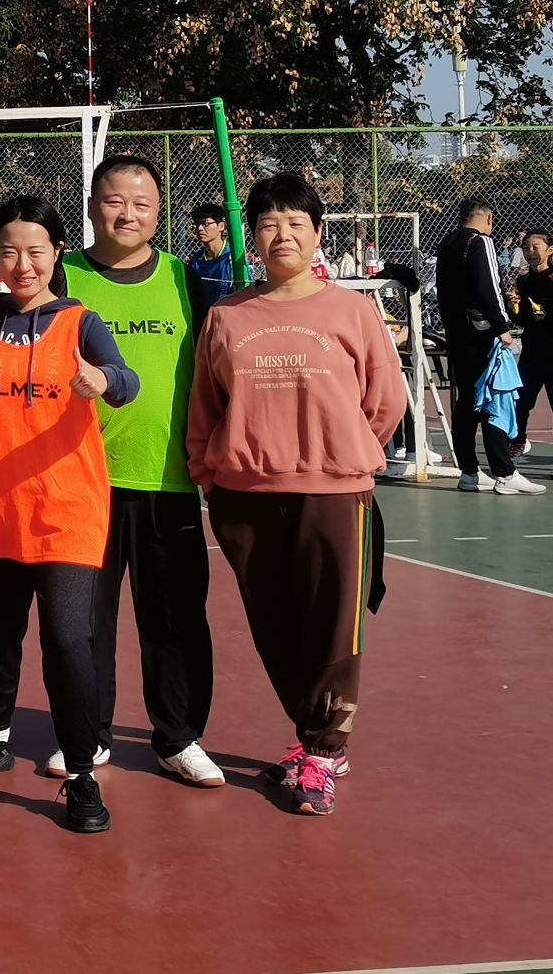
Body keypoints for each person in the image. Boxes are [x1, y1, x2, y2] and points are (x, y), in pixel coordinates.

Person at [186, 173, 406, 817]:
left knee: (333, 626)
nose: (282, 234)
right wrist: (209, 469)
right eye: (268, 224)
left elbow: (384, 400)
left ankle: (324, 749)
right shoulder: (227, 315)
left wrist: (343, 453)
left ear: (316, 233)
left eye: (295, 222)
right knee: (274, 627)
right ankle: (315, 735)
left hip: (333, 495)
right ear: (251, 238)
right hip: (245, 496)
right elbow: (205, 403)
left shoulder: (352, 311)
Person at [0, 195, 139, 835]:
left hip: (64, 509)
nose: (22, 264)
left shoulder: (79, 321)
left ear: (57, 251)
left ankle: (81, 772)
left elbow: (125, 378)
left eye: (35, 251)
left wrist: (103, 382)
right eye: (9, 251)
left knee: (66, 639)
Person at [61, 157, 225, 787]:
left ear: (158, 213)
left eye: (142, 204)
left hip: (167, 480)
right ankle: (89, 735)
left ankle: (178, 737)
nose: (127, 214)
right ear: (92, 206)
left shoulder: (186, 279)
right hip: (82, 482)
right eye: (114, 201)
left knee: (175, 618)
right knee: (84, 623)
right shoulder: (62, 277)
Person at [436, 197, 537, 492]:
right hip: (482, 333)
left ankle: (469, 471)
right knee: (495, 397)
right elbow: (489, 287)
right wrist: (502, 326)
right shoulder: (480, 242)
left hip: (457, 333)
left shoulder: (447, 244)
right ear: (489, 218)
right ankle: (505, 473)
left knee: (468, 400)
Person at [514, 230, 553, 448]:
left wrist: (547, 315)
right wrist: (514, 308)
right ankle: (518, 441)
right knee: (520, 400)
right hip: (532, 352)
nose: (530, 252)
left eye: (535, 247)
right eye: (526, 247)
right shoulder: (523, 281)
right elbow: (520, 319)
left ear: (550, 250)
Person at [186, 204, 236, 299]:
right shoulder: (195, 261)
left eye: (205, 223)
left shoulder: (233, 258)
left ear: (221, 226)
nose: (199, 228)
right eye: (197, 224)